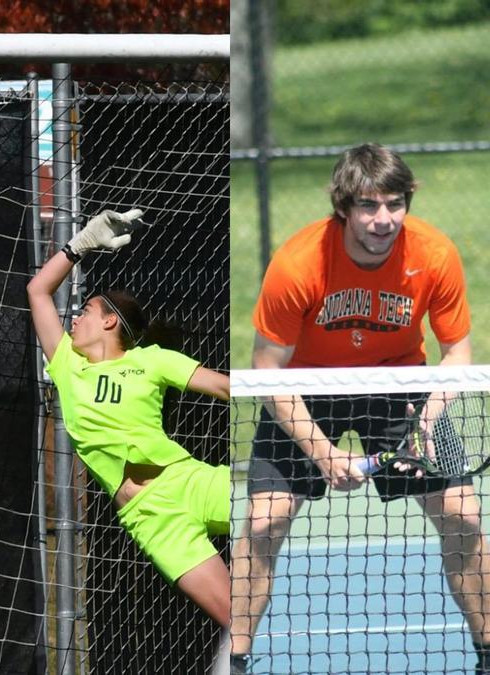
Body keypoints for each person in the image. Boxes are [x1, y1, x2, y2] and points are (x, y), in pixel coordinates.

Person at [230, 143, 490, 674]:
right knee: (263, 523)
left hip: (397, 383)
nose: (383, 219)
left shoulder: (434, 253)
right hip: (306, 389)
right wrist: (323, 453)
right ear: (344, 207)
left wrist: (427, 419)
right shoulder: (298, 262)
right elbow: (266, 373)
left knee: (463, 515)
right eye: (370, 207)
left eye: (394, 204)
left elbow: (457, 352)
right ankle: (231, 660)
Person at [25, 208, 232, 628]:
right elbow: (38, 291)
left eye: (85, 310)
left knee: (279, 507)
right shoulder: (68, 366)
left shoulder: (152, 361)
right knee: (241, 621)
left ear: (108, 320)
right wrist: (79, 245)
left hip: (191, 481)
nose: (75, 318)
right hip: (153, 517)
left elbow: (226, 387)